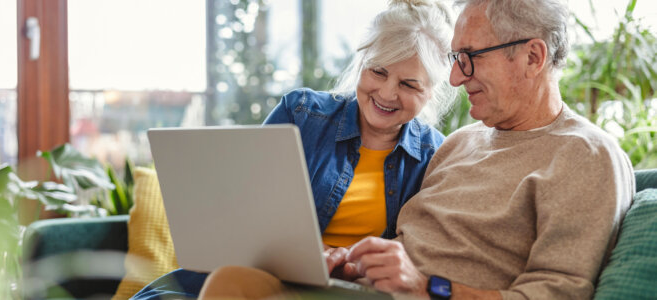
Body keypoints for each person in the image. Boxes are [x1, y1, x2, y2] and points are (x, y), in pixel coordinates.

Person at [196, 0, 635, 299]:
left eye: (469, 58)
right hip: (362, 289)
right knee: (233, 281)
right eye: (456, 59)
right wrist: (352, 261)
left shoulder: (586, 155)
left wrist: (430, 286)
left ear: (533, 57)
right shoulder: (461, 143)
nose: (457, 81)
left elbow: (557, 292)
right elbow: (405, 243)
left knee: (233, 285)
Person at [131, 0, 455, 299]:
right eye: (378, 71)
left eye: (408, 84)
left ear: (431, 91)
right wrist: (317, 251)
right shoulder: (301, 113)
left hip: (346, 291)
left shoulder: (435, 156)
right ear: (361, 64)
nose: (386, 93)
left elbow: (422, 253)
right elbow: (245, 215)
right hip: (261, 276)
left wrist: (353, 261)